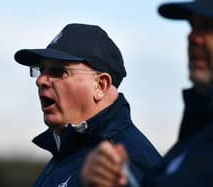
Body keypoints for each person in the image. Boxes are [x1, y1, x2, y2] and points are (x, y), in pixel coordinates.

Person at [81, 0, 213, 187]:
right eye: (192, 25)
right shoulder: (196, 132)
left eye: (208, 25)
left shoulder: (132, 149)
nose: (193, 37)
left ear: (102, 84)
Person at [14, 23, 161, 187]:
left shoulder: (119, 162)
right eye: (41, 70)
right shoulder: (69, 152)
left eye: (58, 71)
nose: (40, 80)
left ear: (100, 85)